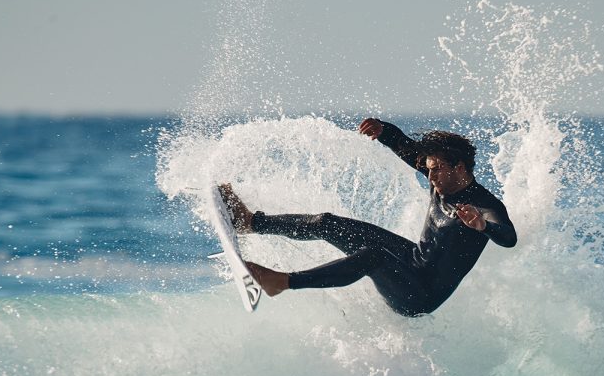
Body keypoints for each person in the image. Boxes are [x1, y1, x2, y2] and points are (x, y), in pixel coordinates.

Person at [220, 118, 517, 317]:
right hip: (412, 259)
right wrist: (385, 131)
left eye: (437, 168)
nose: (430, 174)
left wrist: (481, 225)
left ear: (461, 168)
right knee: (327, 223)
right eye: (428, 168)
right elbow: (408, 150)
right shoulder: (439, 178)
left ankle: (282, 282)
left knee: (373, 255)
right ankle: (251, 222)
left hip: (419, 295)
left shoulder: (485, 204)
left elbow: (508, 237)